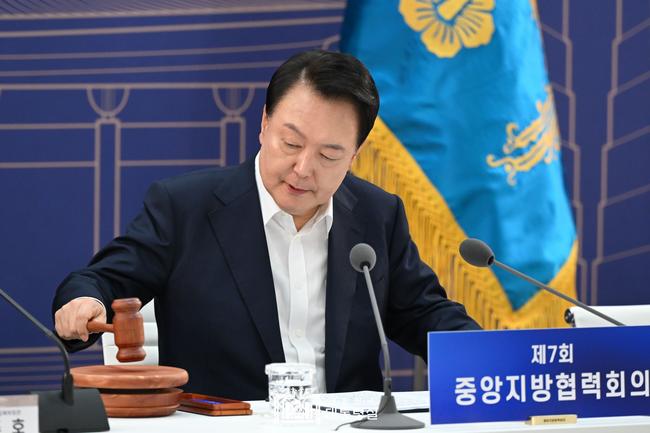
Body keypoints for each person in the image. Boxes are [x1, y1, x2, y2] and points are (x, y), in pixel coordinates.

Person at [52, 50, 480, 401]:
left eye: (329, 155)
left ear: (355, 154)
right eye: (291, 143)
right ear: (263, 125)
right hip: (225, 426)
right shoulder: (185, 207)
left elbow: (422, 312)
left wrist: (487, 357)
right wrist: (84, 301)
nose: (303, 168)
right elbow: (101, 280)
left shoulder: (376, 214)